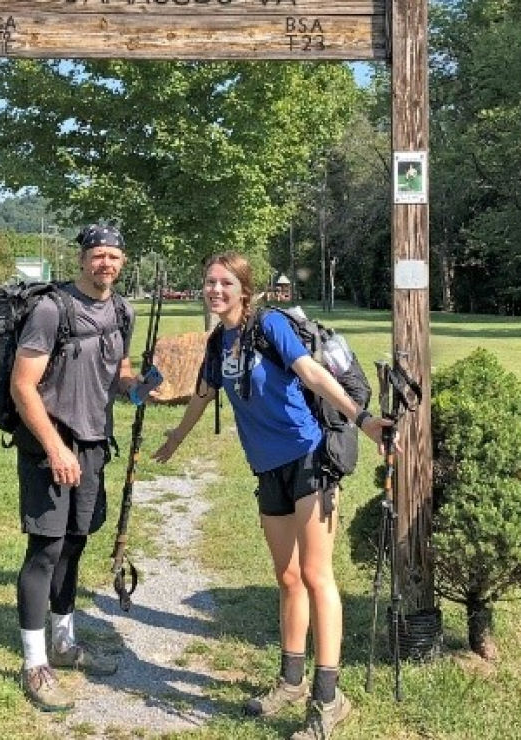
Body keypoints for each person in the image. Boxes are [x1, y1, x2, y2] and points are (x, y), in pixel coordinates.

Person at [152, 251, 392, 740]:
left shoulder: (271, 326)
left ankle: (329, 698)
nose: (215, 290)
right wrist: (176, 437)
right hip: (268, 468)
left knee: (314, 573)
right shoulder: (219, 342)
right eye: (209, 282)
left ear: (245, 288)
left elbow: (312, 375)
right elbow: (202, 394)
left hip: (309, 457)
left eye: (225, 283)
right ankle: (290, 680)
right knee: (286, 576)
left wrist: (362, 420)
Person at [11, 222, 145, 712]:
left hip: (92, 444)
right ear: (82, 259)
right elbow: (23, 386)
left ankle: (64, 644)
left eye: (112, 255)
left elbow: (119, 370)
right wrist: (55, 448)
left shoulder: (123, 310)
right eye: (96, 255)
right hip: (52, 445)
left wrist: (135, 387)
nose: (104, 263)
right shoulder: (52, 310)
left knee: (74, 544)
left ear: (122, 261)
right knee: (44, 549)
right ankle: (34, 663)